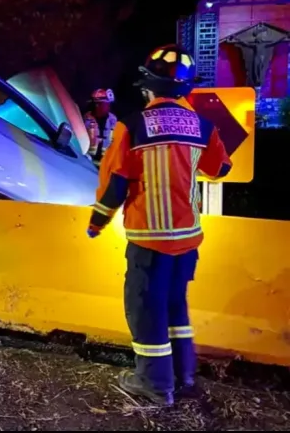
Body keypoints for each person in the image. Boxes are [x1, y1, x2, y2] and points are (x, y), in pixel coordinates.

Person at [85, 45, 232, 406]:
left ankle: (153, 384)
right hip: (187, 241)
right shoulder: (203, 125)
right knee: (174, 307)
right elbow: (221, 168)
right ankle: (183, 378)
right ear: (185, 89)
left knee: (144, 307)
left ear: (148, 86)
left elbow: (116, 183)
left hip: (149, 240)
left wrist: (97, 222)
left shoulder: (132, 125)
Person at [84, 88, 118, 163]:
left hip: (105, 161)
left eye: (101, 104)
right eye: (96, 104)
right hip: (88, 159)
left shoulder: (113, 120)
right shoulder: (87, 118)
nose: (97, 106)